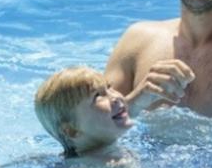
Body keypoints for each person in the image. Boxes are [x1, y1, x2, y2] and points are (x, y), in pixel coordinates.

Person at [34, 62, 195, 159]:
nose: (115, 97)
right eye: (98, 96)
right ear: (71, 131)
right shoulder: (106, 165)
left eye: (109, 88)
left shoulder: (91, 151)